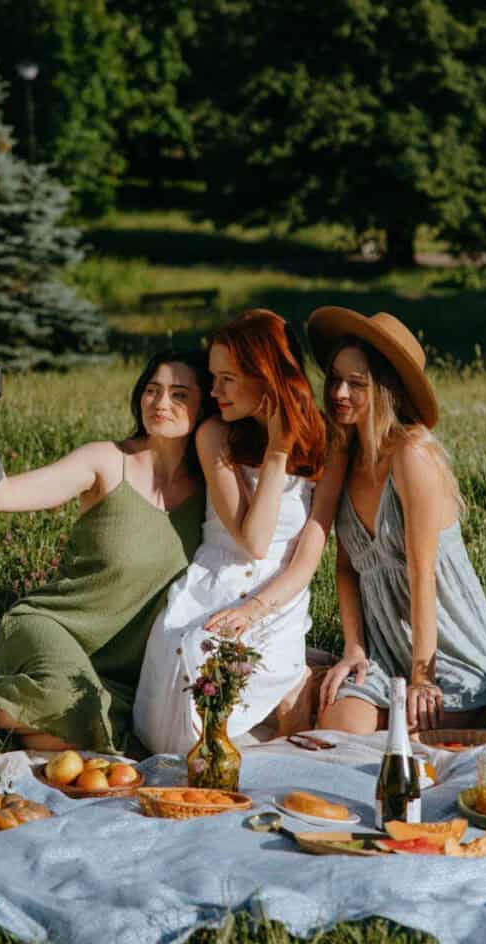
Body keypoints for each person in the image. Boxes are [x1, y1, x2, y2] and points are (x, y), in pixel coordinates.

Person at [0, 348, 213, 752]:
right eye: (152, 390)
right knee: (75, 704)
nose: (162, 403)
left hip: (123, 672)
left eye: (180, 394)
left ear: (204, 407)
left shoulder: (213, 492)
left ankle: (13, 725)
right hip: (52, 627)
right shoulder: (106, 461)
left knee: (137, 734)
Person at [133, 309, 347, 755]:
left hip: (278, 593)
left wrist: (256, 609)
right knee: (174, 724)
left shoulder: (327, 440)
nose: (214, 392)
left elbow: (306, 555)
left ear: (265, 376)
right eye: (213, 378)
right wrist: (275, 451)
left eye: (227, 379)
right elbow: (251, 540)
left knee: (215, 711)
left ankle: (294, 678)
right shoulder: (214, 435)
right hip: (217, 579)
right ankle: (292, 683)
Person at [306, 307, 486, 734]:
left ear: (387, 389)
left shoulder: (412, 455)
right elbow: (347, 567)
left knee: (412, 729)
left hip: (446, 650)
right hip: (386, 652)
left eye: (357, 383)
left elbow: (422, 573)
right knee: (338, 722)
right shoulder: (345, 455)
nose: (339, 393)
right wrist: (353, 649)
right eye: (335, 379)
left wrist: (423, 677)